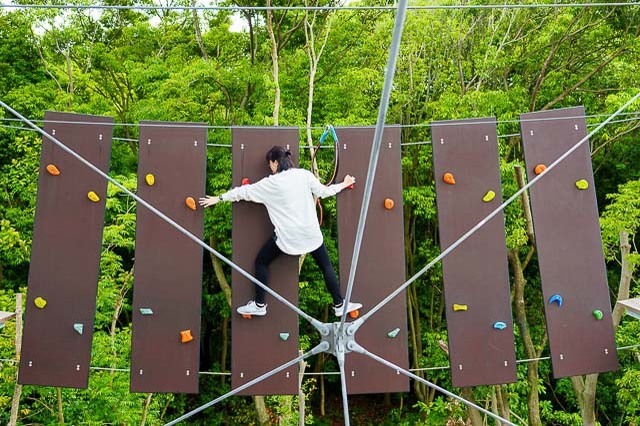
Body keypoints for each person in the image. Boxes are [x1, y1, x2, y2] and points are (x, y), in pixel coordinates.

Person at [199, 145, 362, 317]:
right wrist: (344, 184)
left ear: (275, 162)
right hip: (311, 236)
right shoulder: (304, 175)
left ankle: (259, 305)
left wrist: (219, 198)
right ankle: (339, 304)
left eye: (270, 163)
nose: (270, 167)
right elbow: (324, 192)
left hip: (288, 240)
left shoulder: (270, 183)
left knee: (261, 262)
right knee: (326, 267)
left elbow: (243, 192)